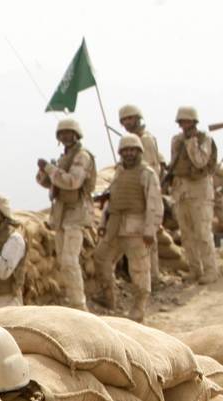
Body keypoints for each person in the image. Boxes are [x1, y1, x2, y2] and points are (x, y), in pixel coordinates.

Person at [93, 134, 162, 320]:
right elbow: (112, 200)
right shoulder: (119, 172)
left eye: (132, 150)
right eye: (125, 151)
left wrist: (150, 230)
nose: (129, 154)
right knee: (101, 257)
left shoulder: (147, 174)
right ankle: (108, 296)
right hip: (114, 226)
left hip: (136, 228)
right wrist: (103, 223)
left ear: (139, 151)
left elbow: (154, 204)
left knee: (139, 269)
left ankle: (139, 308)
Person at [36, 117, 96, 309]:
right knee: (63, 261)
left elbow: (72, 182)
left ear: (76, 135)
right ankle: (73, 300)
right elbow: (51, 183)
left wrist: (50, 169)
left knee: (70, 261)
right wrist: (44, 172)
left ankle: (79, 305)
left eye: (68, 133)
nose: (65, 137)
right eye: (62, 134)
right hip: (62, 214)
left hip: (75, 214)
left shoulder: (82, 156)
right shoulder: (65, 158)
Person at [169, 106, 220, 284]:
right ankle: (195, 270)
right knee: (187, 235)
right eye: (182, 121)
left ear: (194, 122)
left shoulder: (204, 139)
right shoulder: (176, 140)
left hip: (200, 192)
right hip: (181, 192)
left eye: (188, 121)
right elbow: (174, 165)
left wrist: (191, 142)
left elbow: (200, 162)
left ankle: (211, 270)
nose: (185, 124)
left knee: (203, 234)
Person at [118, 103, 165, 283]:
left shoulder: (145, 140)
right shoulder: (132, 140)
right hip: (135, 192)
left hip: (146, 191)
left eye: (130, 118)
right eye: (124, 120)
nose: (127, 123)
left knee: (148, 233)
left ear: (138, 118)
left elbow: (151, 168)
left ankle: (153, 277)